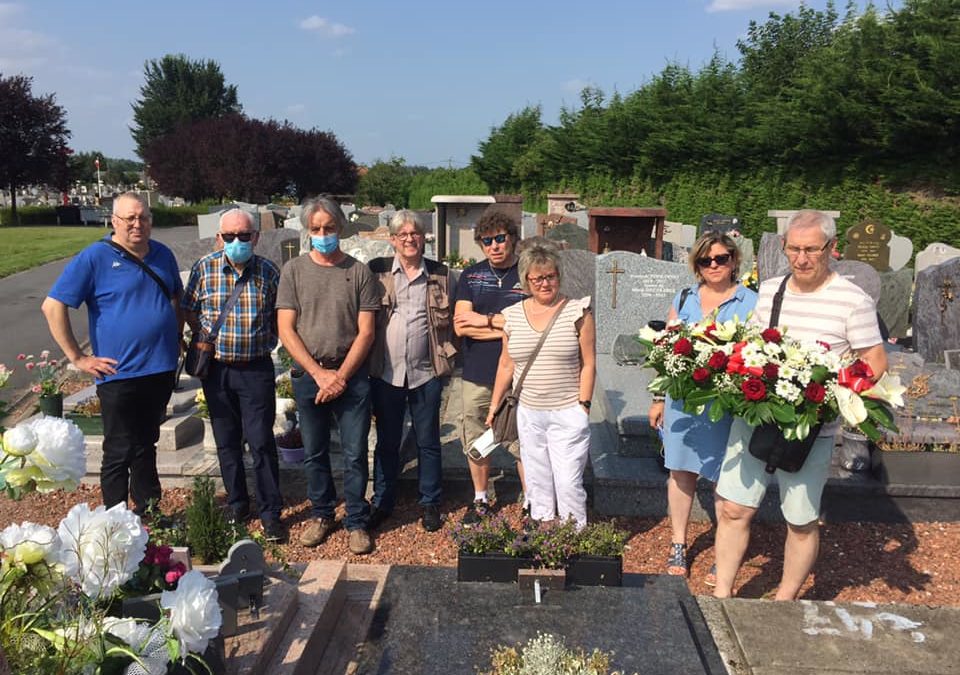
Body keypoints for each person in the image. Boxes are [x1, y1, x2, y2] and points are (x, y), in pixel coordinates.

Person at [713, 210, 887, 600]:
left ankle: (784, 600)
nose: (802, 259)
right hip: (756, 417)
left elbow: (875, 360)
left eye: (811, 250)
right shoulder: (771, 291)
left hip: (811, 427)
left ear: (831, 248)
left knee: (801, 519)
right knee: (734, 510)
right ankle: (722, 596)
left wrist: (835, 389)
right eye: (794, 249)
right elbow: (753, 348)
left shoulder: (852, 301)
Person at [41, 192, 181, 515]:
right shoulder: (95, 257)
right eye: (129, 218)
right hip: (119, 373)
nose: (137, 224)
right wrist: (78, 358)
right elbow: (53, 306)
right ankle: (115, 521)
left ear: (151, 220)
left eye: (143, 217)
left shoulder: (163, 254)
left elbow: (175, 298)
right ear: (114, 221)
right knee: (119, 449)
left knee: (146, 445)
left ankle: (149, 516)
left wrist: (176, 337)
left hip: (159, 369)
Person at [648, 232, 757, 579]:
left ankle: (724, 547)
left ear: (734, 261)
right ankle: (678, 542)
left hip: (724, 403)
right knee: (680, 472)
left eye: (721, 258)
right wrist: (657, 398)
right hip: (683, 400)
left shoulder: (751, 302)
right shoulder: (684, 297)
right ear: (696, 264)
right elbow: (665, 350)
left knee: (724, 477)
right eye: (705, 260)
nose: (713, 265)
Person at [276, 196, 379, 555]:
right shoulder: (294, 271)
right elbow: (286, 329)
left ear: (340, 228)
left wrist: (340, 377)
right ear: (308, 231)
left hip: (352, 376)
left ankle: (355, 520)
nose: (323, 234)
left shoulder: (359, 272)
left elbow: (366, 331)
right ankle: (321, 514)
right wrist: (319, 374)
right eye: (316, 229)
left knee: (354, 453)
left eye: (329, 228)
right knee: (315, 452)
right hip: (310, 374)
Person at [182, 208, 286, 543]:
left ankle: (271, 514)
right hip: (217, 370)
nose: (237, 242)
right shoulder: (205, 267)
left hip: (255, 369)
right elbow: (190, 309)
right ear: (219, 238)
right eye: (230, 236)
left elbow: (278, 317)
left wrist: (266, 340)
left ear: (256, 237)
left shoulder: (269, 272)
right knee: (227, 443)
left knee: (261, 443)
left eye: (244, 236)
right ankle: (238, 504)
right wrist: (205, 337)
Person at [487, 240, 596, 528]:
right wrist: (495, 404)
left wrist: (583, 406)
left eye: (551, 276)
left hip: (566, 410)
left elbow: (589, 363)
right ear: (526, 280)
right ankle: (544, 533)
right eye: (538, 278)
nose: (545, 283)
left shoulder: (578, 312)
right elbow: (506, 364)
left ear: (558, 276)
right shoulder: (511, 315)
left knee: (568, 480)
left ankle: (574, 535)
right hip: (529, 412)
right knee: (537, 479)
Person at [368, 210, 456, 533]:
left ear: (424, 238)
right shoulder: (377, 272)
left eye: (415, 233)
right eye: (402, 234)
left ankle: (430, 501)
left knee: (428, 441)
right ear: (392, 239)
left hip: (425, 372)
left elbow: (454, 322)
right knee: (387, 441)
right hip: (387, 373)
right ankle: (382, 501)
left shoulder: (441, 274)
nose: (409, 239)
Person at [453, 208, 526, 524]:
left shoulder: (527, 274)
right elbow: (460, 327)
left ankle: (531, 500)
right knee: (475, 436)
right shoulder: (471, 276)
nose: (494, 246)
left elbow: (529, 325)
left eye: (500, 238)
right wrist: (507, 324)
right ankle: (481, 498)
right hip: (478, 373)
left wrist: (485, 321)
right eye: (487, 241)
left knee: (524, 440)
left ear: (511, 238)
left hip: (521, 373)